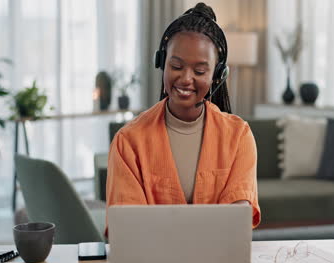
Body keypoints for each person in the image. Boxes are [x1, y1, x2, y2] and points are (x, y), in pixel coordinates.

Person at [105, 2, 260, 236]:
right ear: (162, 64)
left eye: (199, 71)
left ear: (217, 75)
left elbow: (237, 219)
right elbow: (126, 226)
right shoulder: (128, 141)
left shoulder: (239, 136)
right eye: (176, 66)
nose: (186, 79)